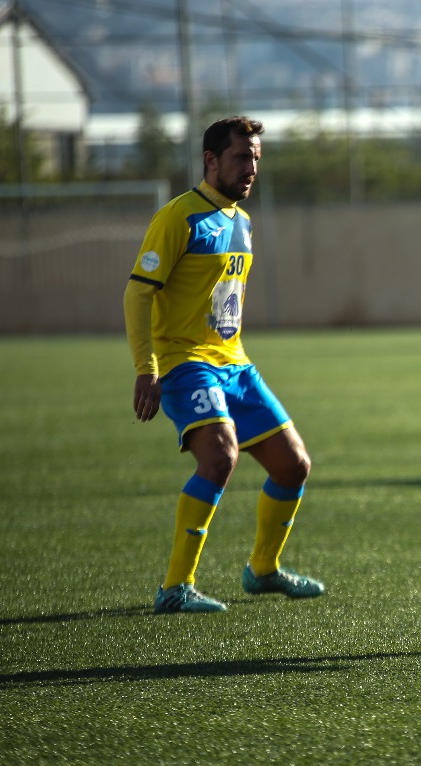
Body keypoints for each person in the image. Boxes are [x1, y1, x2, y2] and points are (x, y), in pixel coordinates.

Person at [123, 115, 325, 614]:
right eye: (241, 157)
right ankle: (175, 587)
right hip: (184, 362)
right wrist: (146, 368)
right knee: (218, 458)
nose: (251, 168)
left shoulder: (241, 220)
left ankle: (263, 570)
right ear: (211, 160)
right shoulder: (178, 217)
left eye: (256, 158)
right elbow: (136, 294)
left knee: (293, 465)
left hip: (234, 363)